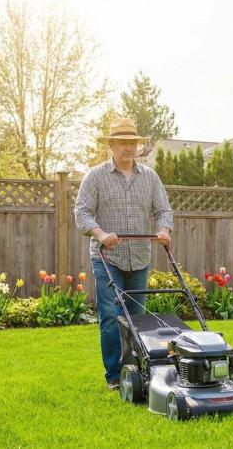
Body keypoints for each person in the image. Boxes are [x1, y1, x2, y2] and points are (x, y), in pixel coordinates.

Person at [74, 117, 174, 390]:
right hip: (108, 258)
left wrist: (163, 230)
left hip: (139, 257)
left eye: (132, 142)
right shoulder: (96, 176)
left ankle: (135, 370)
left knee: (136, 317)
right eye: (122, 143)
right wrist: (101, 234)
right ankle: (114, 376)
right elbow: (82, 212)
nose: (128, 147)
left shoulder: (150, 177)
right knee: (110, 315)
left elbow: (163, 210)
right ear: (112, 145)